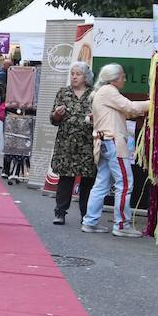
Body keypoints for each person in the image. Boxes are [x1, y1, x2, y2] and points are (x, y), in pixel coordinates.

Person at [82, 63, 152, 237]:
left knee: (102, 183)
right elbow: (130, 108)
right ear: (115, 78)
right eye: (122, 76)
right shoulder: (109, 91)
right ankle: (121, 224)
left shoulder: (102, 92)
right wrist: (153, 102)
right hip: (113, 142)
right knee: (125, 183)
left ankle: (90, 221)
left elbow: (126, 111)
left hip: (104, 142)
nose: (125, 79)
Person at [49, 61, 97, 226]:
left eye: (78, 74)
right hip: (66, 144)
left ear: (86, 77)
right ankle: (60, 212)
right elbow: (53, 120)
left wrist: (94, 118)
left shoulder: (94, 94)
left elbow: (101, 117)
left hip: (87, 145)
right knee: (65, 179)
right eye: (72, 73)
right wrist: (56, 114)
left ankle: (86, 214)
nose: (74, 76)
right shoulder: (63, 93)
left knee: (87, 181)